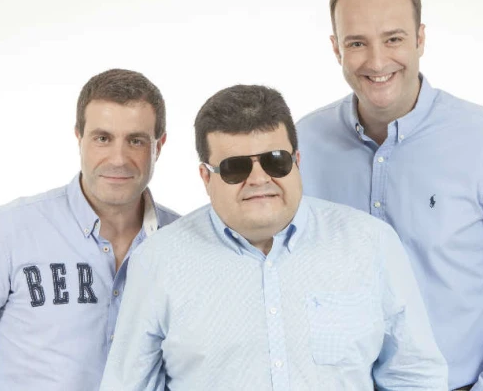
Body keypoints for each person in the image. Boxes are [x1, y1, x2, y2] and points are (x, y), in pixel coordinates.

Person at [295, 0, 483, 390]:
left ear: (420, 39)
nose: (377, 61)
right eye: (357, 43)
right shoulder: (302, 144)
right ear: (336, 48)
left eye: (393, 38)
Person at [99, 84, 447, 391]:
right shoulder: (157, 261)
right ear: (206, 177)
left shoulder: (371, 244)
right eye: (235, 168)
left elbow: (415, 377)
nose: (258, 179)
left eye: (275, 161)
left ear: (297, 161)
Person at [0, 69, 179, 390]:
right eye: (102, 138)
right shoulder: (11, 230)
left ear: (159, 145)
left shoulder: (184, 243)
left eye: (136, 141)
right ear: (79, 138)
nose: (118, 159)